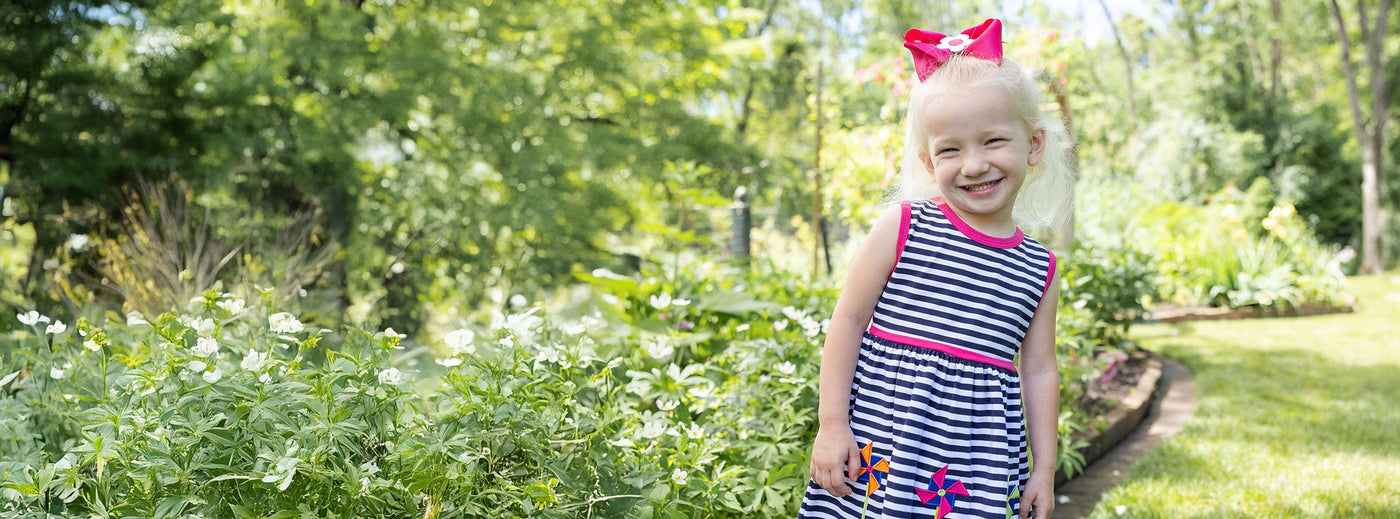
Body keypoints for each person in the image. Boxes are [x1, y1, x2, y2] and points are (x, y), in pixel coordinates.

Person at [798, 19, 1074, 519]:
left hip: (977, 468)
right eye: (951, 149)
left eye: (992, 141)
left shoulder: (1039, 268)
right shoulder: (903, 226)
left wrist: (1044, 468)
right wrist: (832, 424)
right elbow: (849, 321)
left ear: (1033, 144)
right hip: (884, 453)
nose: (972, 165)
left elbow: (1038, 371)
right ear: (928, 161)